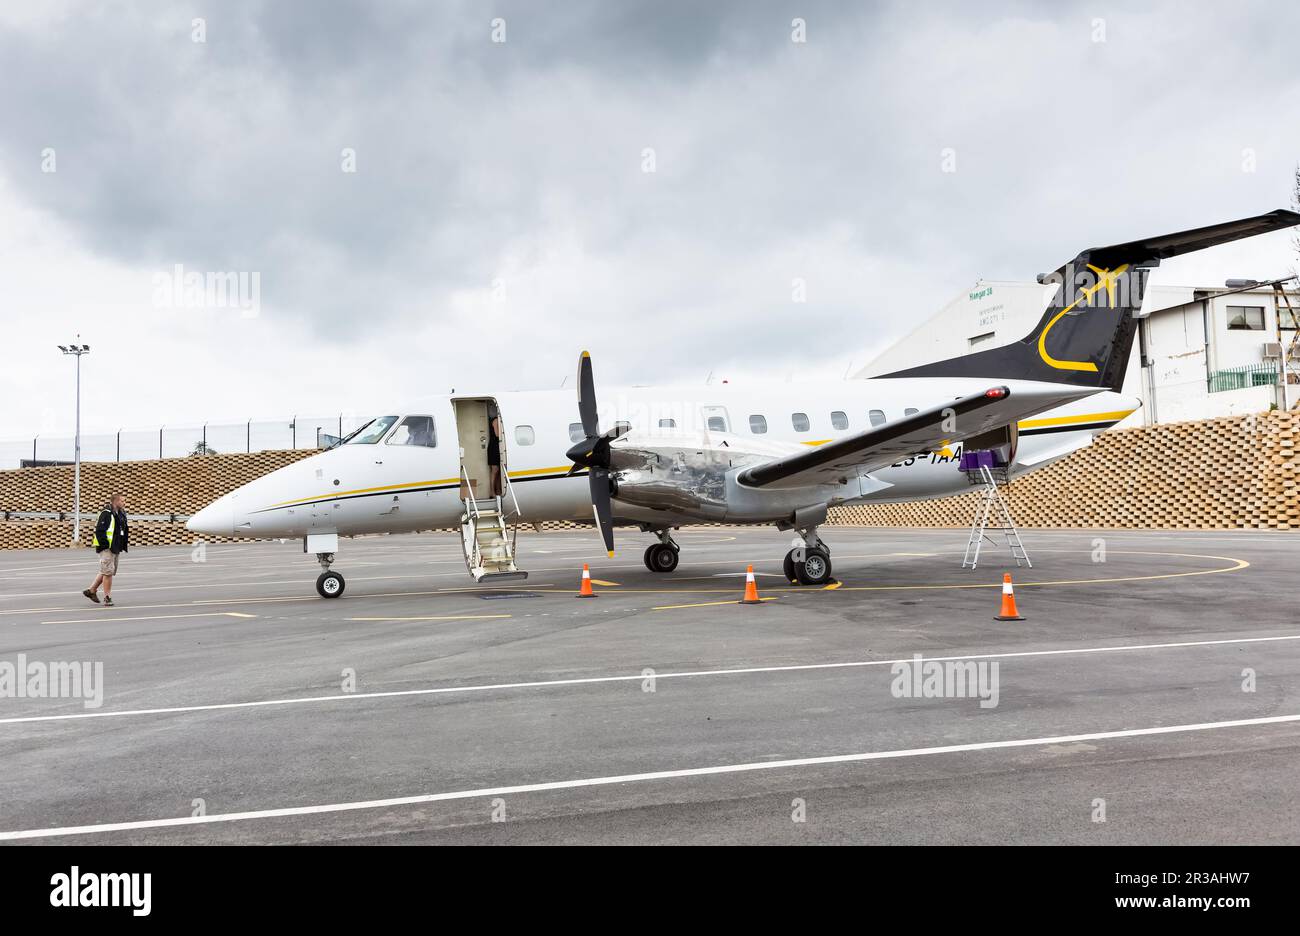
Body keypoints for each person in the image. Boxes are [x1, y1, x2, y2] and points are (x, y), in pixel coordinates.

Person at [83, 493, 128, 606]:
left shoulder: (121, 513)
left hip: (116, 547)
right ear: (115, 501)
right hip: (107, 547)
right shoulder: (106, 514)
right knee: (108, 572)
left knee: (108, 571)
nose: (124, 503)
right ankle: (107, 597)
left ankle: (92, 590)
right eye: (122, 501)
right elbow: (100, 531)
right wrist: (105, 545)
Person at [487, 412, 503, 497]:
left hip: (497, 446)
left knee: (498, 470)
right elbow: (497, 434)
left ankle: (498, 490)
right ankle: (492, 491)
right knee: (495, 470)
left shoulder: (497, 420)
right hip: (494, 447)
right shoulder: (496, 420)